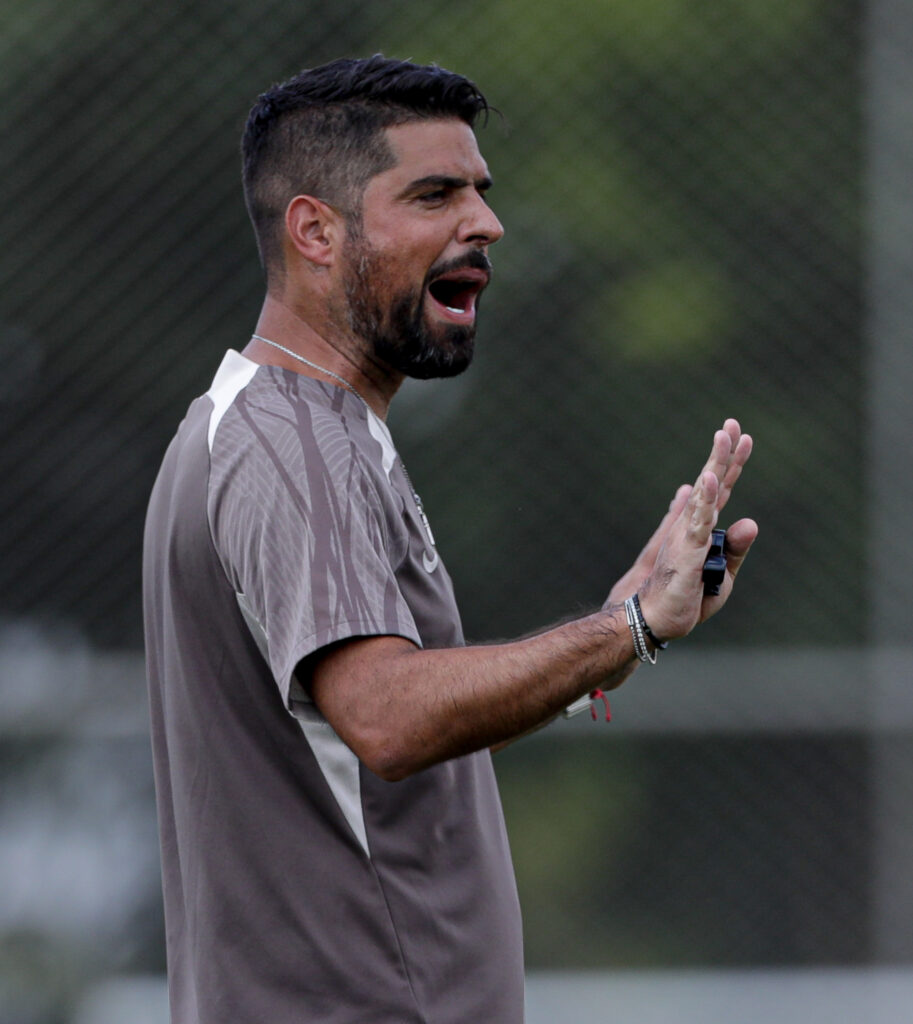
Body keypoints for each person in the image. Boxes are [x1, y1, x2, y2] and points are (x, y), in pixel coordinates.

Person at [142, 55, 757, 1024]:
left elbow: (397, 731)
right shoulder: (294, 442)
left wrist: (612, 631)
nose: (484, 223)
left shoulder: (287, 428)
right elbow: (389, 718)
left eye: (479, 192)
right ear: (314, 229)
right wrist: (628, 628)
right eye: (433, 194)